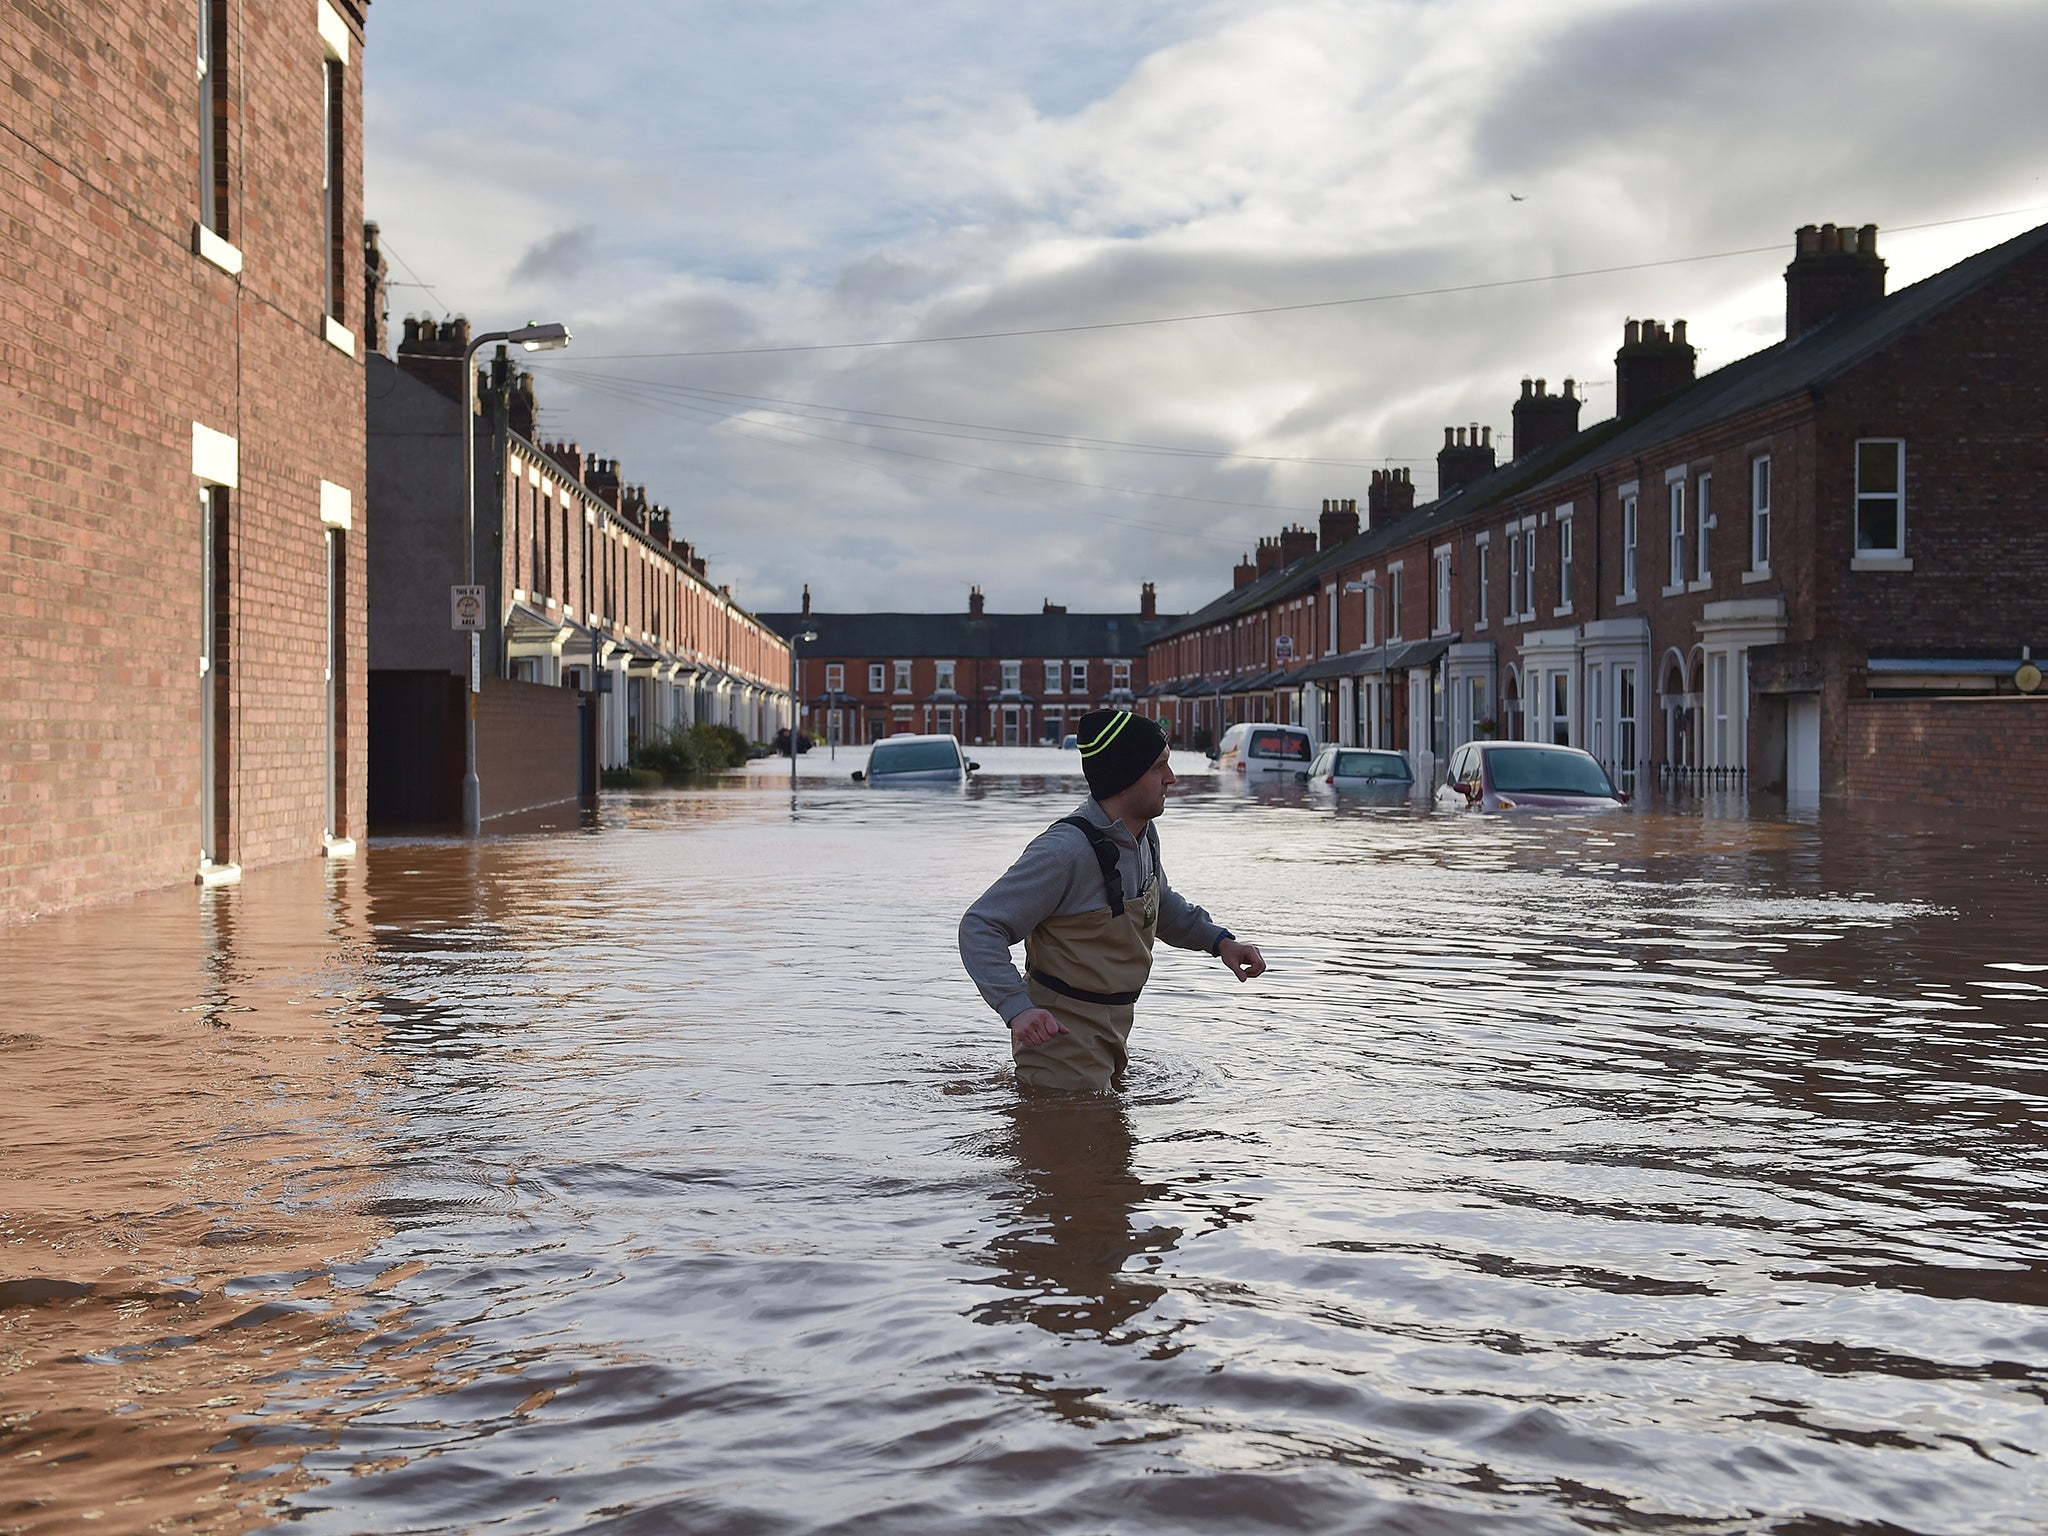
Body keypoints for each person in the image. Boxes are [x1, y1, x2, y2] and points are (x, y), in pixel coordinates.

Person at [959, 709, 1266, 1091]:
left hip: (1115, 1028)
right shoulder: (1064, 851)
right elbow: (980, 926)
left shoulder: (1144, 835)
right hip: (1059, 1038)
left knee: (1111, 1146)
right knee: (1069, 1145)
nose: (1171, 778)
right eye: (1159, 767)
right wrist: (1016, 1009)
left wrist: (1220, 942)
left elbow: (1159, 905)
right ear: (1123, 778)